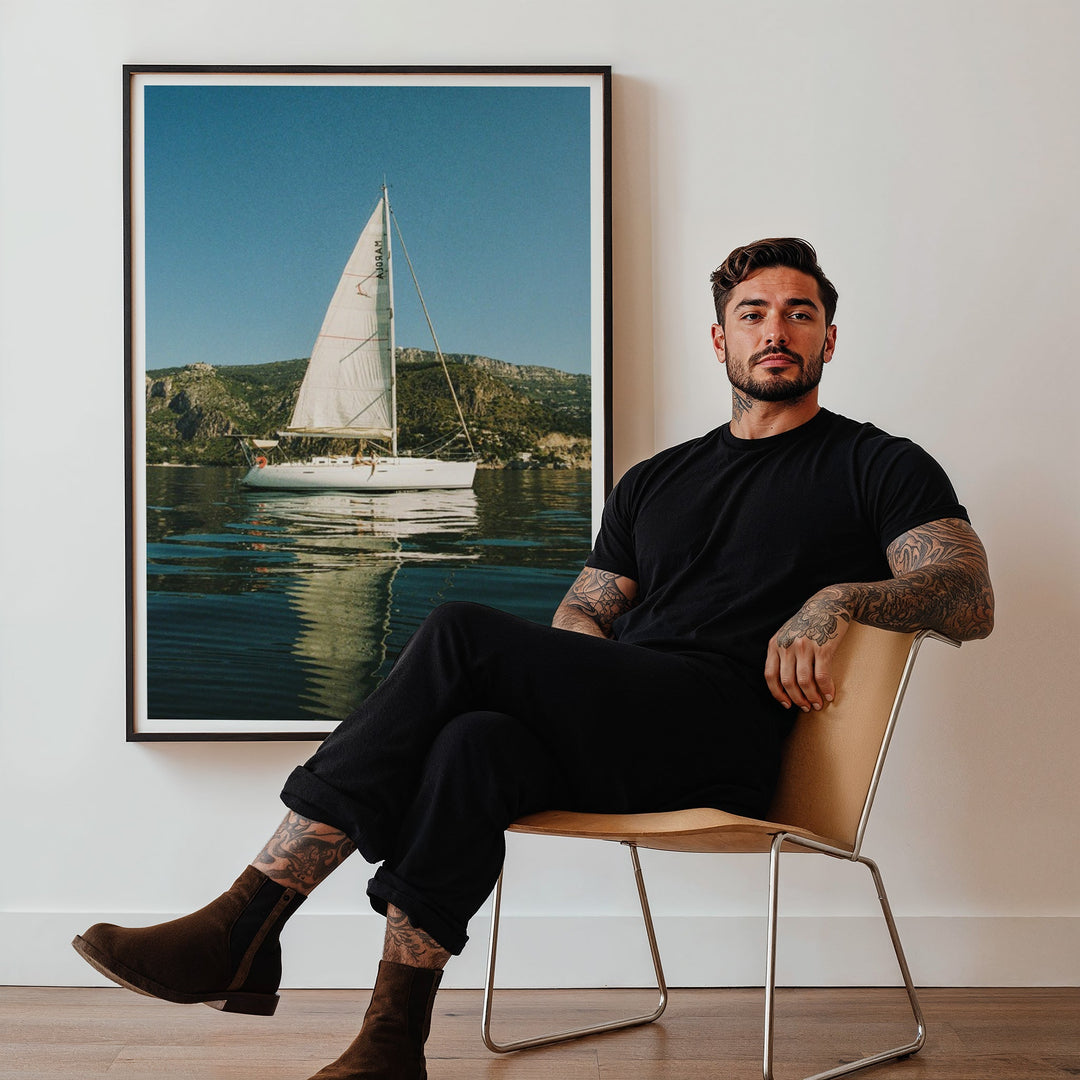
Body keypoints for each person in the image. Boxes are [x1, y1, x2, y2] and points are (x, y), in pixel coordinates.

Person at [72, 238, 994, 1079]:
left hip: (729, 738)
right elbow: (582, 614)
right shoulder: (655, 480)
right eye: (753, 314)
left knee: (463, 629)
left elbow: (967, 593)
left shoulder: (879, 464)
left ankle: (245, 918)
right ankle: (392, 1043)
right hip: (624, 720)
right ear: (719, 342)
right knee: (477, 740)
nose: (776, 331)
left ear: (831, 338)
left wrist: (840, 598)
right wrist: (569, 676)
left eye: (800, 313)